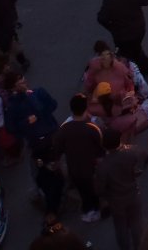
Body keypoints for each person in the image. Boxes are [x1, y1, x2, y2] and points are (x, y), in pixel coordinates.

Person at [94, 126, 148, 250]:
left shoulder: (103, 166)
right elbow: (142, 161)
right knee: (136, 224)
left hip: (116, 201)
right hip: (133, 195)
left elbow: (99, 189)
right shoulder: (130, 153)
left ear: (104, 146)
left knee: (121, 228)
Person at [55, 93, 106, 221]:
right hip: (91, 169)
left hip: (74, 169)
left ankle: (88, 211)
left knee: (84, 192)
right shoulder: (92, 128)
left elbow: (58, 151)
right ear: (86, 108)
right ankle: (98, 209)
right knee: (93, 190)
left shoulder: (64, 129)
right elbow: (100, 151)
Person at [97, 0, 148, 74]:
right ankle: (146, 66)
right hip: (138, 31)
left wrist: (112, 28)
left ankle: (133, 72)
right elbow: (147, 1)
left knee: (127, 53)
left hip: (121, 35)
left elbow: (101, 18)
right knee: (135, 48)